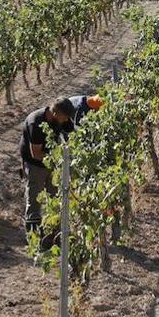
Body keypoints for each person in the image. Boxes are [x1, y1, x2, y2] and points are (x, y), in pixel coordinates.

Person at [19, 95, 100, 235]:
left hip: (53, 160)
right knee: (34, 196)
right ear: (55, 113)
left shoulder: (63, 118)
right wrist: (60, 160)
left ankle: (54, 233)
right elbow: (36, 153)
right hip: (34, 163)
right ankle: (32, 234)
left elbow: (73, 135)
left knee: (55, 195)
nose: (66, 120)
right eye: (64, 118)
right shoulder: (36, 123)